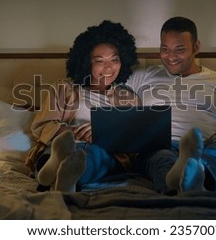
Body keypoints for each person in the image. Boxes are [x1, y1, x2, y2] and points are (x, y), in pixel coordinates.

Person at [126, 16, 216, 194]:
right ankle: (183, 182)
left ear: (196, 47)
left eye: (180, 50)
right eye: (165, 49)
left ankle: (189, 179)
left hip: (205, 147)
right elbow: (102, 92)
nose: (171, 57)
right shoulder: (142, 76)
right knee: (160, 157)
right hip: (162, 146)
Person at [25, 20, 140, 192]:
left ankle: (57, 175)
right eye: (100, 61)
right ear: (87, 62)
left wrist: (102, 133)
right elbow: (42, 126)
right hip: (64, 146)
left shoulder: (128, 99)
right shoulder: (64, 88)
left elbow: (135, 140)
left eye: (114, 60)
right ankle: (55, 168)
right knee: (55, 151)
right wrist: (74, 133)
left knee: (94, 157)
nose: (109, 67)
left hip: (101, 151)